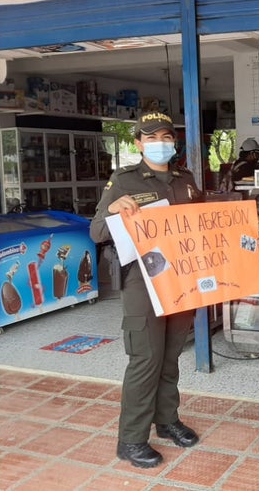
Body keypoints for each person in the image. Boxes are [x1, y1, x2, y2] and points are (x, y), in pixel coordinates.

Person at [90, 111, 204, 469]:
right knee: (146, 359)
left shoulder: (185, 179)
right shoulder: (123, 180)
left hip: (181, 278)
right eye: (151, 137)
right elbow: (97, 232)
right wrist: (113, 210)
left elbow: (202, 225)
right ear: (139, 144)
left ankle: (167, 420)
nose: (160, 143)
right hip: (143, 281)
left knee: (170, 356)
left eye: (166, 137)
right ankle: (131, 439)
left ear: (174, 142)